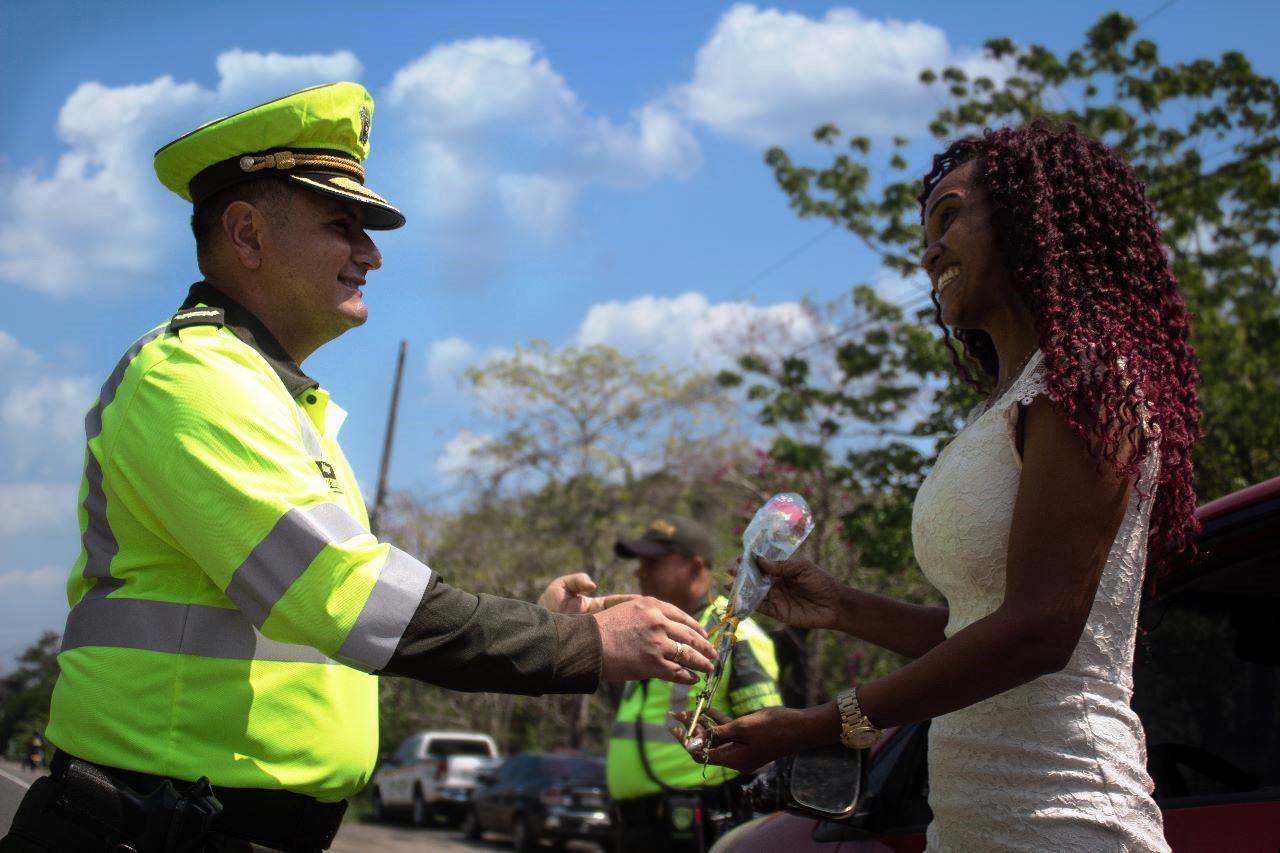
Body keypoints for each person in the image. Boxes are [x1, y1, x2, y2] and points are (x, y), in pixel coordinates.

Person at [0, 82, 716, 853]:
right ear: (247, 235)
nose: (371, 254)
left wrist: (542, 624)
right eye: (343, 226)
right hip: (151, 828)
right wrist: (578, 645)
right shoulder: (193, 377)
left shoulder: (276, 395)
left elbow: (354, 615)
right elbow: (345, 595)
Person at [673, 121, 1201, 852]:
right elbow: (977, 627)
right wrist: (843, 605)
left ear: (1027, 216)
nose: (929, 249)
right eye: (925, 231)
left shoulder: (1089, 384)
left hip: (1070, 818)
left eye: (950, 216)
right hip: (969, 823)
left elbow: (1040, 630)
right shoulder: (1002, 407)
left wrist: (821, 723)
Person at [607, 514, 783, 852]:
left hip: (697, 827)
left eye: (654, 562)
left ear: (694, 566)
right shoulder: (647, 636)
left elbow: (767, 748)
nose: (640, 571)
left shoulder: (735, 635)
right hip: (636, 830)